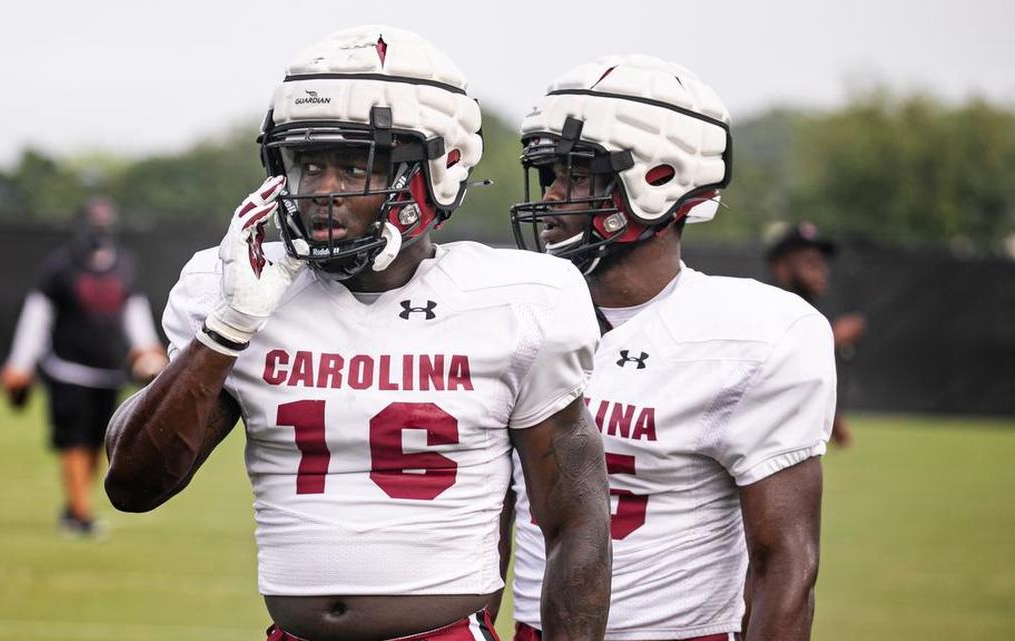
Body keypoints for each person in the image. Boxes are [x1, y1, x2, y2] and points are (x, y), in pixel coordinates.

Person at [103, 26, 612, 641]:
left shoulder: (519, 300)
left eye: (355, 165)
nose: (323, 193)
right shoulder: (237, 290)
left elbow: (576, 528)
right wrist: (228, 327)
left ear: (441, 168)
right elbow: (133, 484)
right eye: (308, 164)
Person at [507, 55, 836, 641]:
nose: (554, 194)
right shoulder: (513, 316)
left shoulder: (755, 335)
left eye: (578, 174)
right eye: (551, 172)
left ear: (660, 179)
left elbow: (784, 564)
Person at [0, 197, 167, 537]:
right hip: (67, 369)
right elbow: (37, 316)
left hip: (108, 371)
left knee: (95, 445)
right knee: (74, 442)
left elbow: (133, 311)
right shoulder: (60, 266)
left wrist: (148, 350)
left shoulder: (125, 264)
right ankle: (80, 514)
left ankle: (75, 507)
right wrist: (20, 363)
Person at [767, 221, 865, 447]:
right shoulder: (764, 310)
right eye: (811, 263)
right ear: (781, 268)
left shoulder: (809, 316)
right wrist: (832, 337)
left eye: (822, 262)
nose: (822, 270)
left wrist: (833, 416)